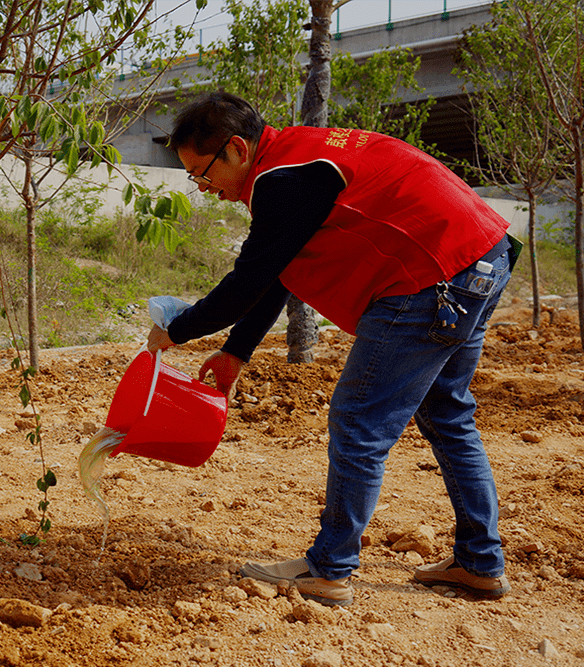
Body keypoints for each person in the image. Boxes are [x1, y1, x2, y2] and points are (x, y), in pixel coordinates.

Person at [147, 91, 519, 607]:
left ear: (235, 148)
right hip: (478, 257)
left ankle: (330, 568)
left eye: (200, 172)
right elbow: (278, 268)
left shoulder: (282, 179)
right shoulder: (298, 156)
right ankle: (480, 562)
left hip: (430, 277)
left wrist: (178, 330)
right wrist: (237, 350)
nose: (202, 186)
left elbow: (246, 281)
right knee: (447, 414)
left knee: (358, 420)